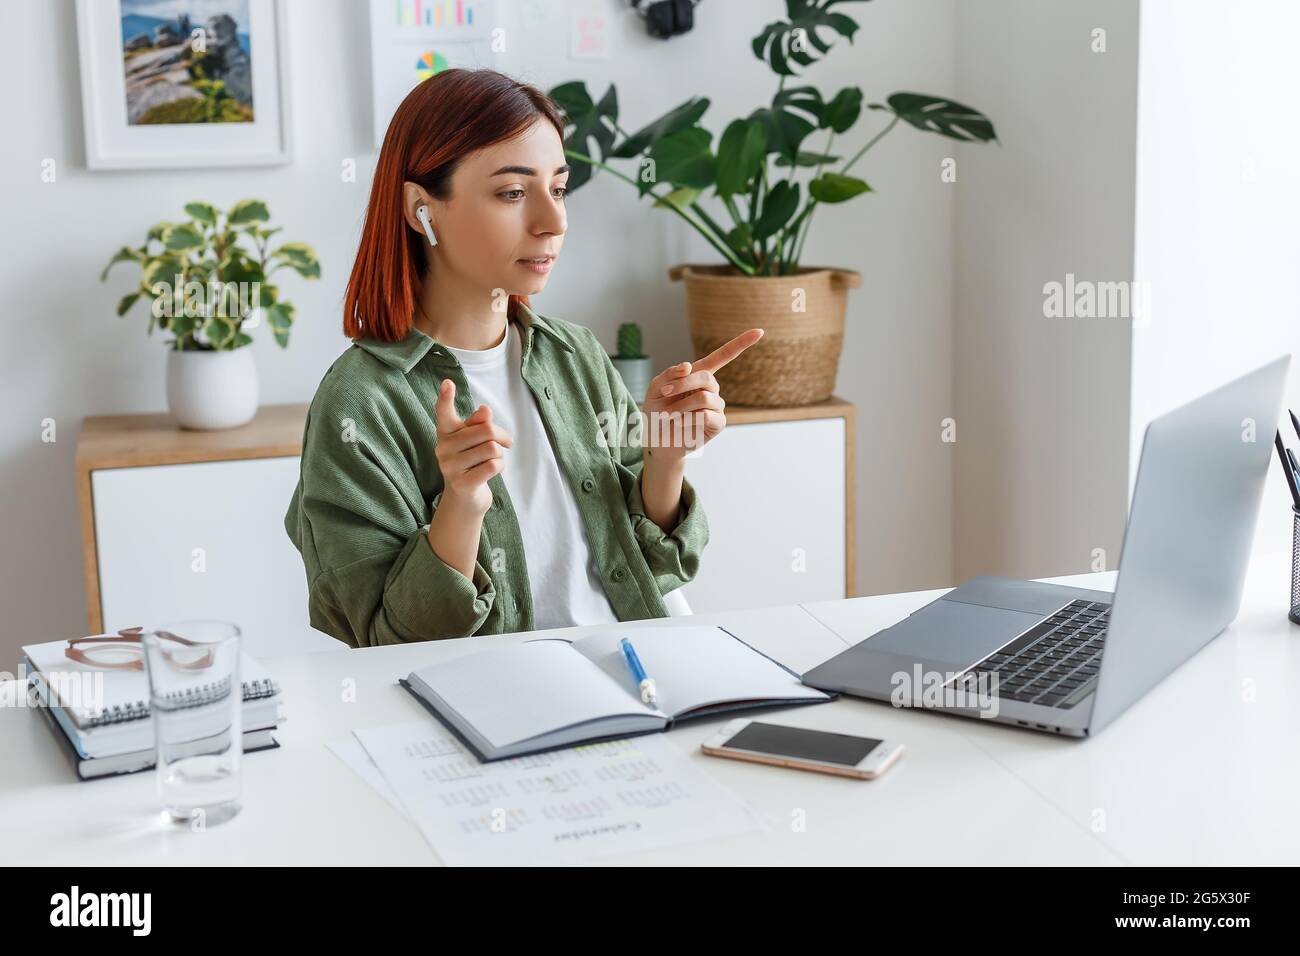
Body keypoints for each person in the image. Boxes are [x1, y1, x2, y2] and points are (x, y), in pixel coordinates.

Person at [283, 68, 762, 647]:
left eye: (557, 189)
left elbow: (656, 570)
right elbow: (385, 641)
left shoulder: (575, 354)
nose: (553, 221)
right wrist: (461, 504)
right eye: (513, 193)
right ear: (421, 209)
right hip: (486, 706)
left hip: (634, 670)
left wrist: (665, 456)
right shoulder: (360, 401)